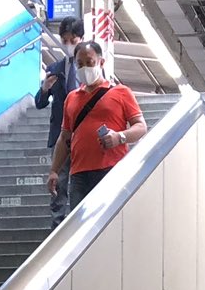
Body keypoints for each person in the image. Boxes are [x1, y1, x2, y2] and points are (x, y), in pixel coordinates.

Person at [46, 41, 146, 215]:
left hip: (112, 169)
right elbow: (64, 137)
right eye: (80, 64)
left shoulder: (121, 92)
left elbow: (141, 126)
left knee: (111, 222)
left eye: (89, 62)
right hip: (79, 174)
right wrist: (54, 171)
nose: (85, 68)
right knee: (80, 225)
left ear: (101, 62)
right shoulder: (71, 98)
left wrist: (119, 137)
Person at [33, 17, 84, 225]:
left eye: (73, 40)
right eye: (65, 40)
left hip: (83, 135)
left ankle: (80, 223)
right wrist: (45, 88)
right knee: (59, 182)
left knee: (80, 181)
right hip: (60, 136)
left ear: (81, 38)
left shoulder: (89, 68)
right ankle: (58, 226)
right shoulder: (54, 68)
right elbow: (39, 103)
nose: (69, 44)